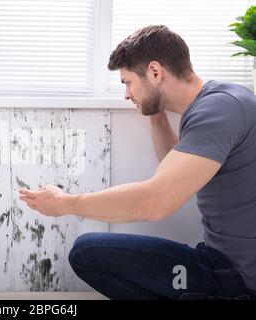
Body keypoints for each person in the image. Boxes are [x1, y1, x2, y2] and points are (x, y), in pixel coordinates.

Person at [18, 25, 256, 300]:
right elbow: (175, 168)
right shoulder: (220, 100)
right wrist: (154, 111)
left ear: (155, 72)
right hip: (226, 264)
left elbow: (155, 203)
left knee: (85, 253)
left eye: (128, 82)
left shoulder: (217, 111)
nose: (127, 94)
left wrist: (66, 204)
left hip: (233, 275)